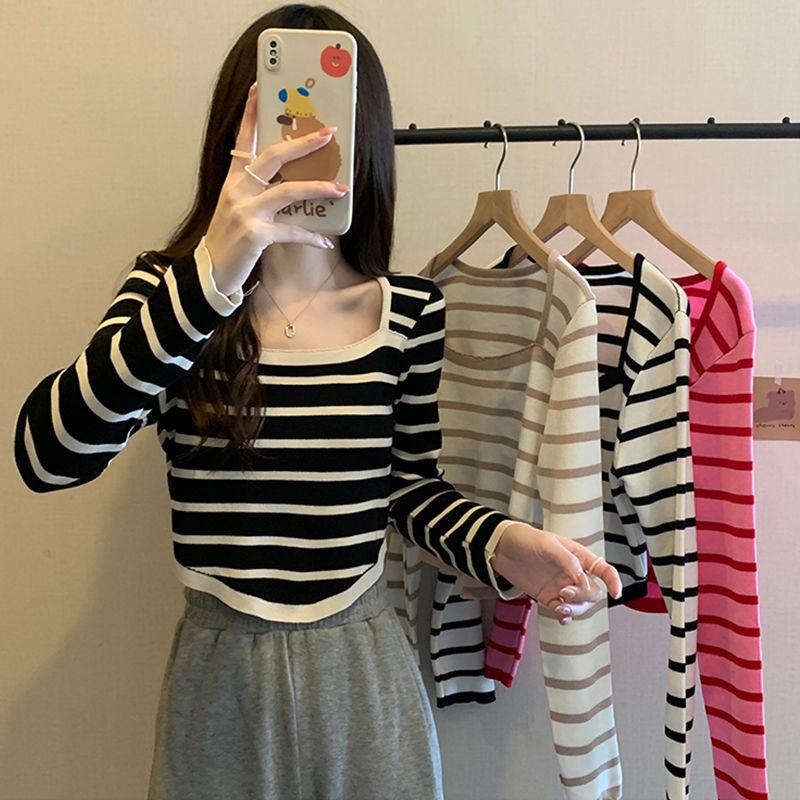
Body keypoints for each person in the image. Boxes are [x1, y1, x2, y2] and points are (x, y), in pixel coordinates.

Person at [14, 4, 622, 799]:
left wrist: (503, 544)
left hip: (363, 669)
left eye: (325, 119)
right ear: (232, 135)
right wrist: (211, 277)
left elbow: (408, 489)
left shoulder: (408, 311)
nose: (302, 141)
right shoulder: (170, 294)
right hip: (218, 676)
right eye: (278, 116)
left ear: (361, 138)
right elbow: (49, 456)